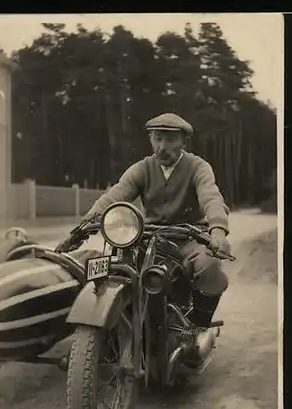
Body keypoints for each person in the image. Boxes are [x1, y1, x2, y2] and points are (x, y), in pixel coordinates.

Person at [82, 112, 231, 333]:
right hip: (149, 237)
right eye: (157, 138)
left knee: (209, 265)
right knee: (114, 268)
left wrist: (217, 228)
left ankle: (196, 325)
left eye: (170, 140)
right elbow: (114, 196)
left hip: (189, 237)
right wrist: (87, 222)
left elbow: (211, 197)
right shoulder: (142, 168)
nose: (162, 147)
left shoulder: (198, 167)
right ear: (150, 139)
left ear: (183, 142)